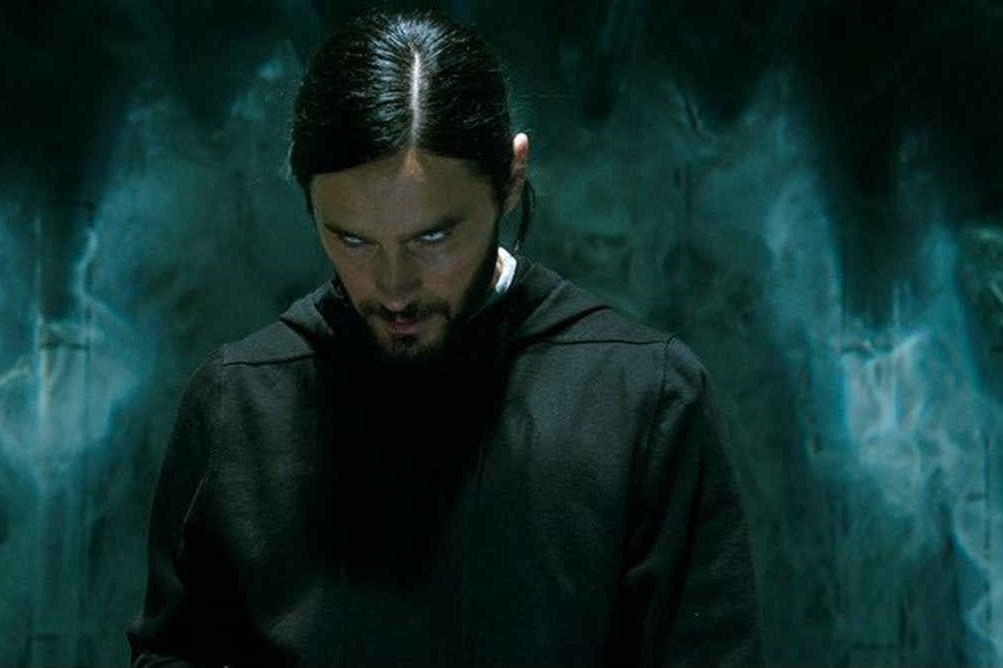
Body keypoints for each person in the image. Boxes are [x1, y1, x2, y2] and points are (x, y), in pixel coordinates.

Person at [127, 9, 762, 667]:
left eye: (432, 237)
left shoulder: (646, 401)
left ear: (511, 178)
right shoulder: (236, 404)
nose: (394, 287)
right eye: (353, 240)